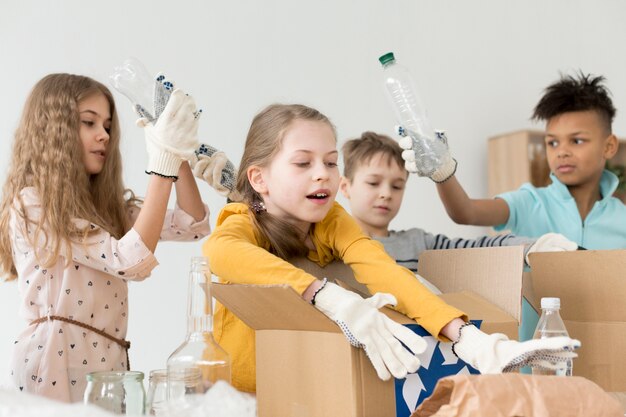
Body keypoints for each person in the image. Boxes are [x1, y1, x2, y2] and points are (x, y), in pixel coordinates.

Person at [204, 103, 579, 393]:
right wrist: (329, 296)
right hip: (237, 391)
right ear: (259, 178)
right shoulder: (242, 218)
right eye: (303, 162)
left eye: (331, 162)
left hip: (303, 387)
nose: (322, 173)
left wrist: (470, 340)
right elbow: (219, 252)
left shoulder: (332, 219)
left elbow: (383, 270)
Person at [0, 74, 211, 402]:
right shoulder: (34, 203)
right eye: (89, 123)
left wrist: (177, 152)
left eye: (108, 126)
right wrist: (162, 163)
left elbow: (192, 223)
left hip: (106, 366)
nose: (104, 136)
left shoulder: (106, 209)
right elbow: (130, 260)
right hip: (53, 361)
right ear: (53, 129)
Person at [399, 72, 626, 250]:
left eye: (576, 141)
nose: (561, 152)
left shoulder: (621, 219)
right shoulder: (529, 203)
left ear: (608, 146)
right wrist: (443, 173)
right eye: (552, 143)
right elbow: (465, 212)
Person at [340, 132, 577, 277]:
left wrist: (532, 248)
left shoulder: (417, 243)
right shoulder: (329, 245)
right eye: (373, 183)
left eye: (397, 186)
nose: (385, 194)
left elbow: (476, 250)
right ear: (345, 187)